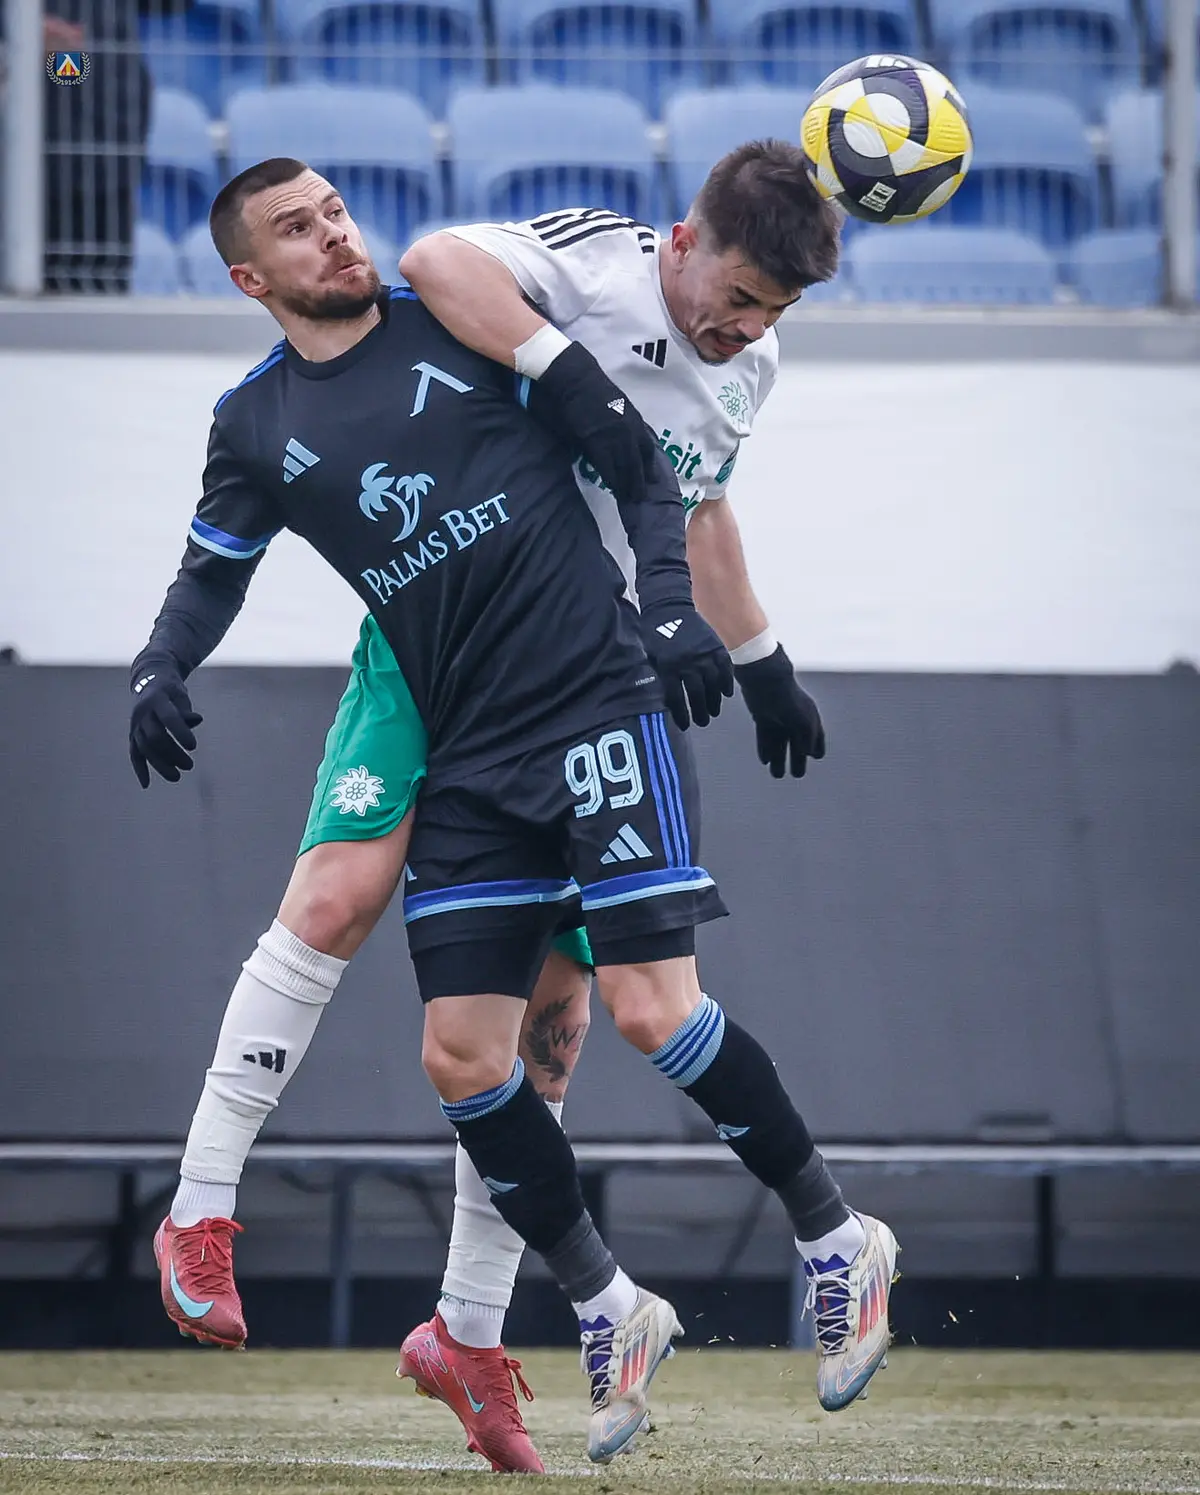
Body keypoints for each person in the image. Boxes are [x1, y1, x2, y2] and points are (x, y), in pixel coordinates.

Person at [132, 151, 897, 1470]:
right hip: (447, 696)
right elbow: (444, 266)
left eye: (336, 210)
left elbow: (672, 481)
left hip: (593, 672)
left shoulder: (709, 364)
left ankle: (535, 1312)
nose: (337, 234)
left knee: (581, 1020)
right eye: (302, 227)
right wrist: (158, 667)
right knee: (398, 973)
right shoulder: (507, 300)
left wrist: (743, 648)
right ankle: (210, 1211)